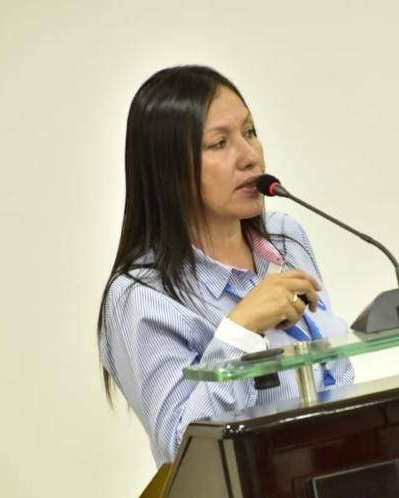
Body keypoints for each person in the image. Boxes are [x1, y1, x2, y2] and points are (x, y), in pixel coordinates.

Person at [97, 66, 354, 466]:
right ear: (168, 170)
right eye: (219, 143)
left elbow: (336, 375)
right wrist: (239, 330)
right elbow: (181, 450)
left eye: (250, 132)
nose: (250, 156)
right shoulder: (141, 295)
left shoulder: (285, 238)